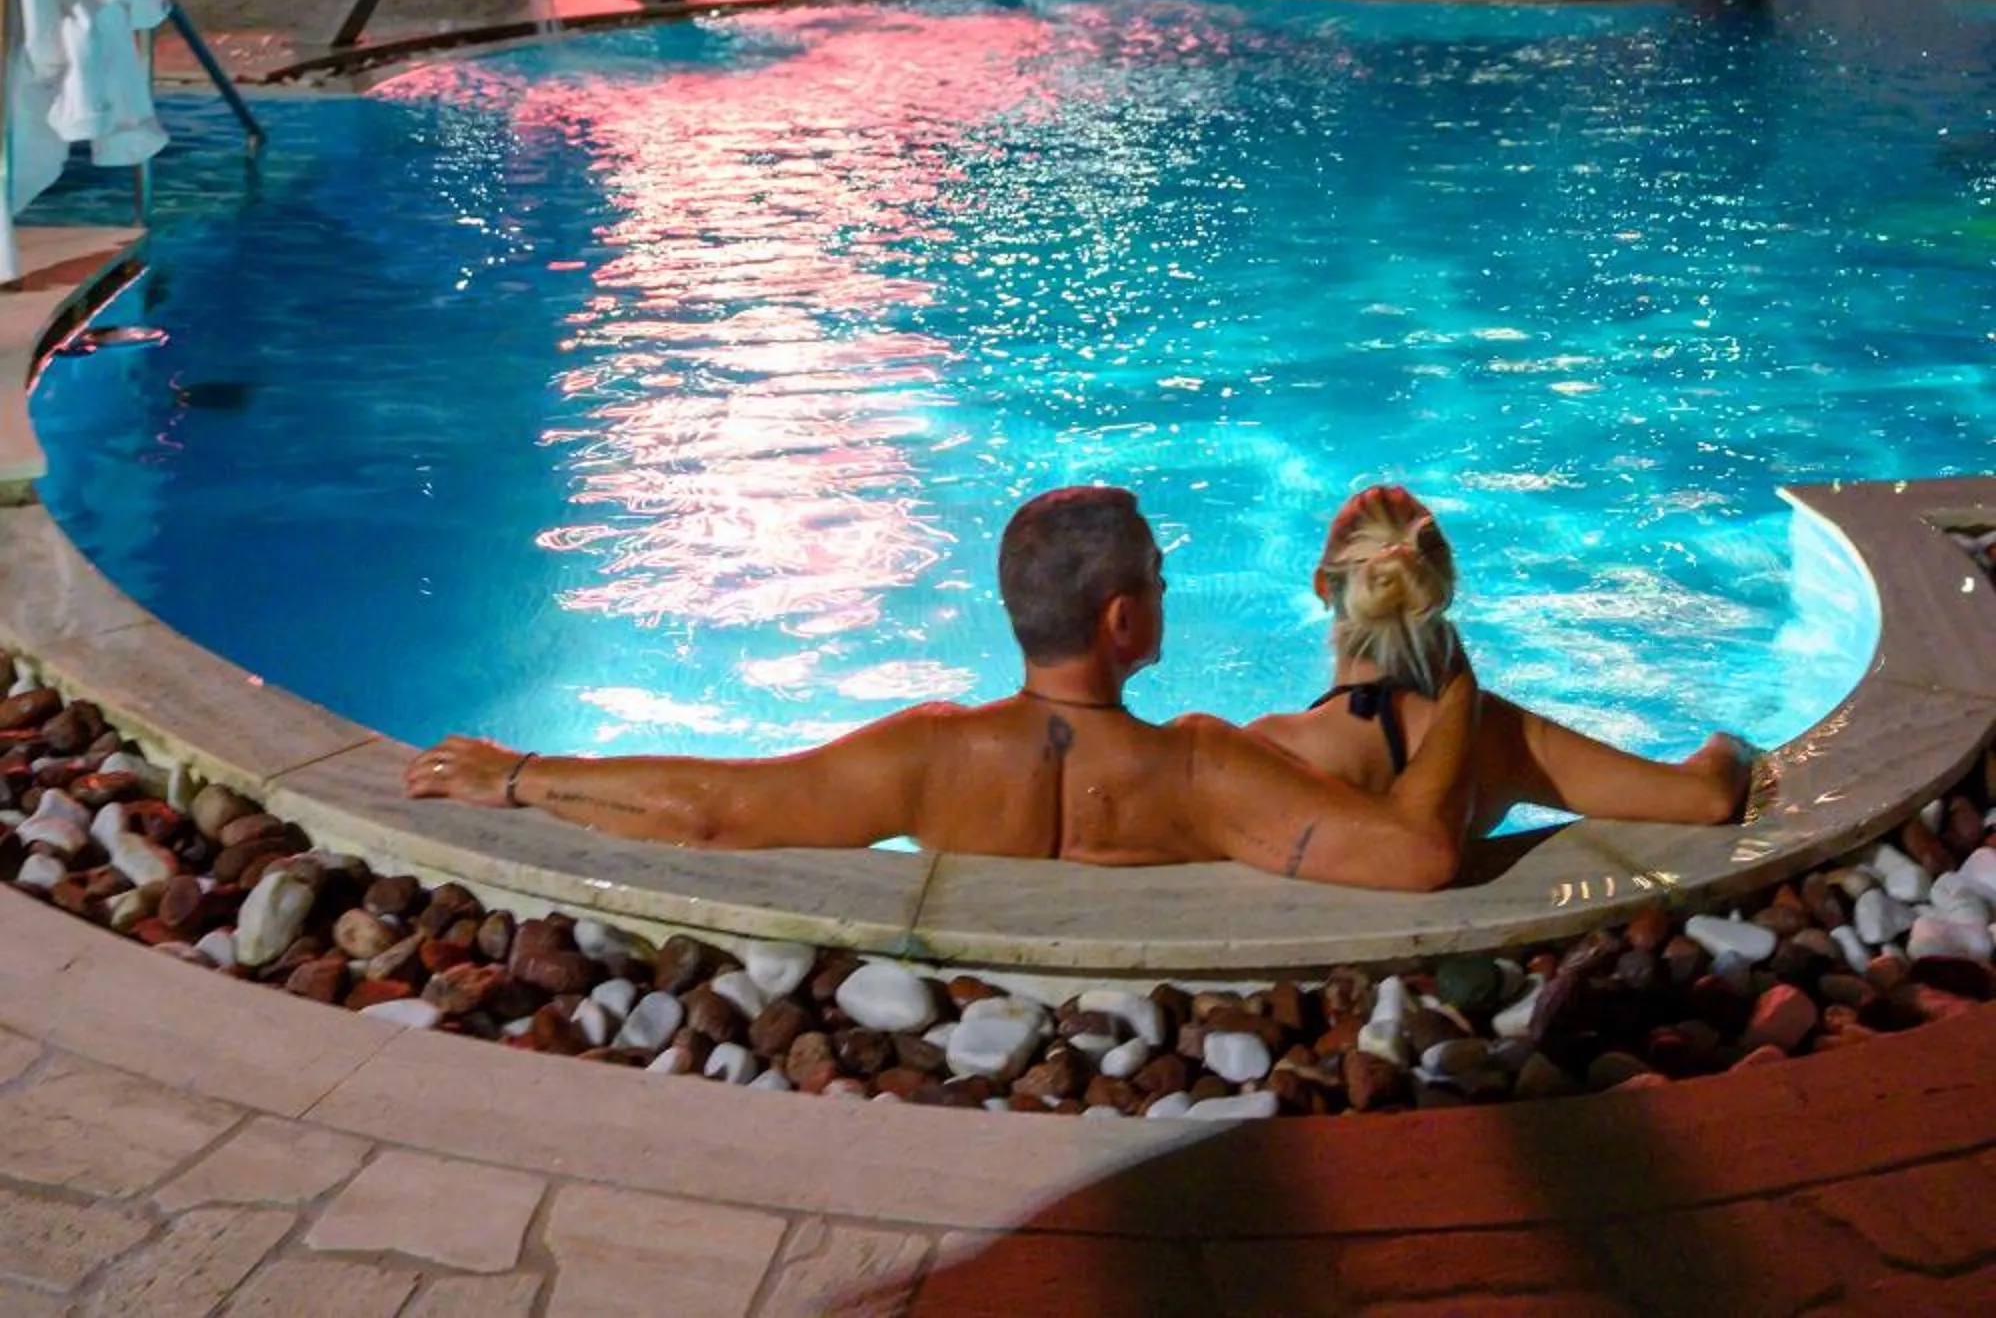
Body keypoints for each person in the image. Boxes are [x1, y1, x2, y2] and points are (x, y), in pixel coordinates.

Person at [408, 483, 1479, 887]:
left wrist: (522, 776)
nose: (1164, 589)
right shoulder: (1202, 764)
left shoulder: (929, 754)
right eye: (1156, 578)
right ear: (1121, 621)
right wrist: (1460, 692)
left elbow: (719, 809)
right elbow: (1419, 856)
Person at [1246, 484, 1765, 833]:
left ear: (1323, 587)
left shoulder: (1268, 750)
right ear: (1440, 587)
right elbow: (1707, 800)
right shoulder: (1491, 733)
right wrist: (1732, 746)